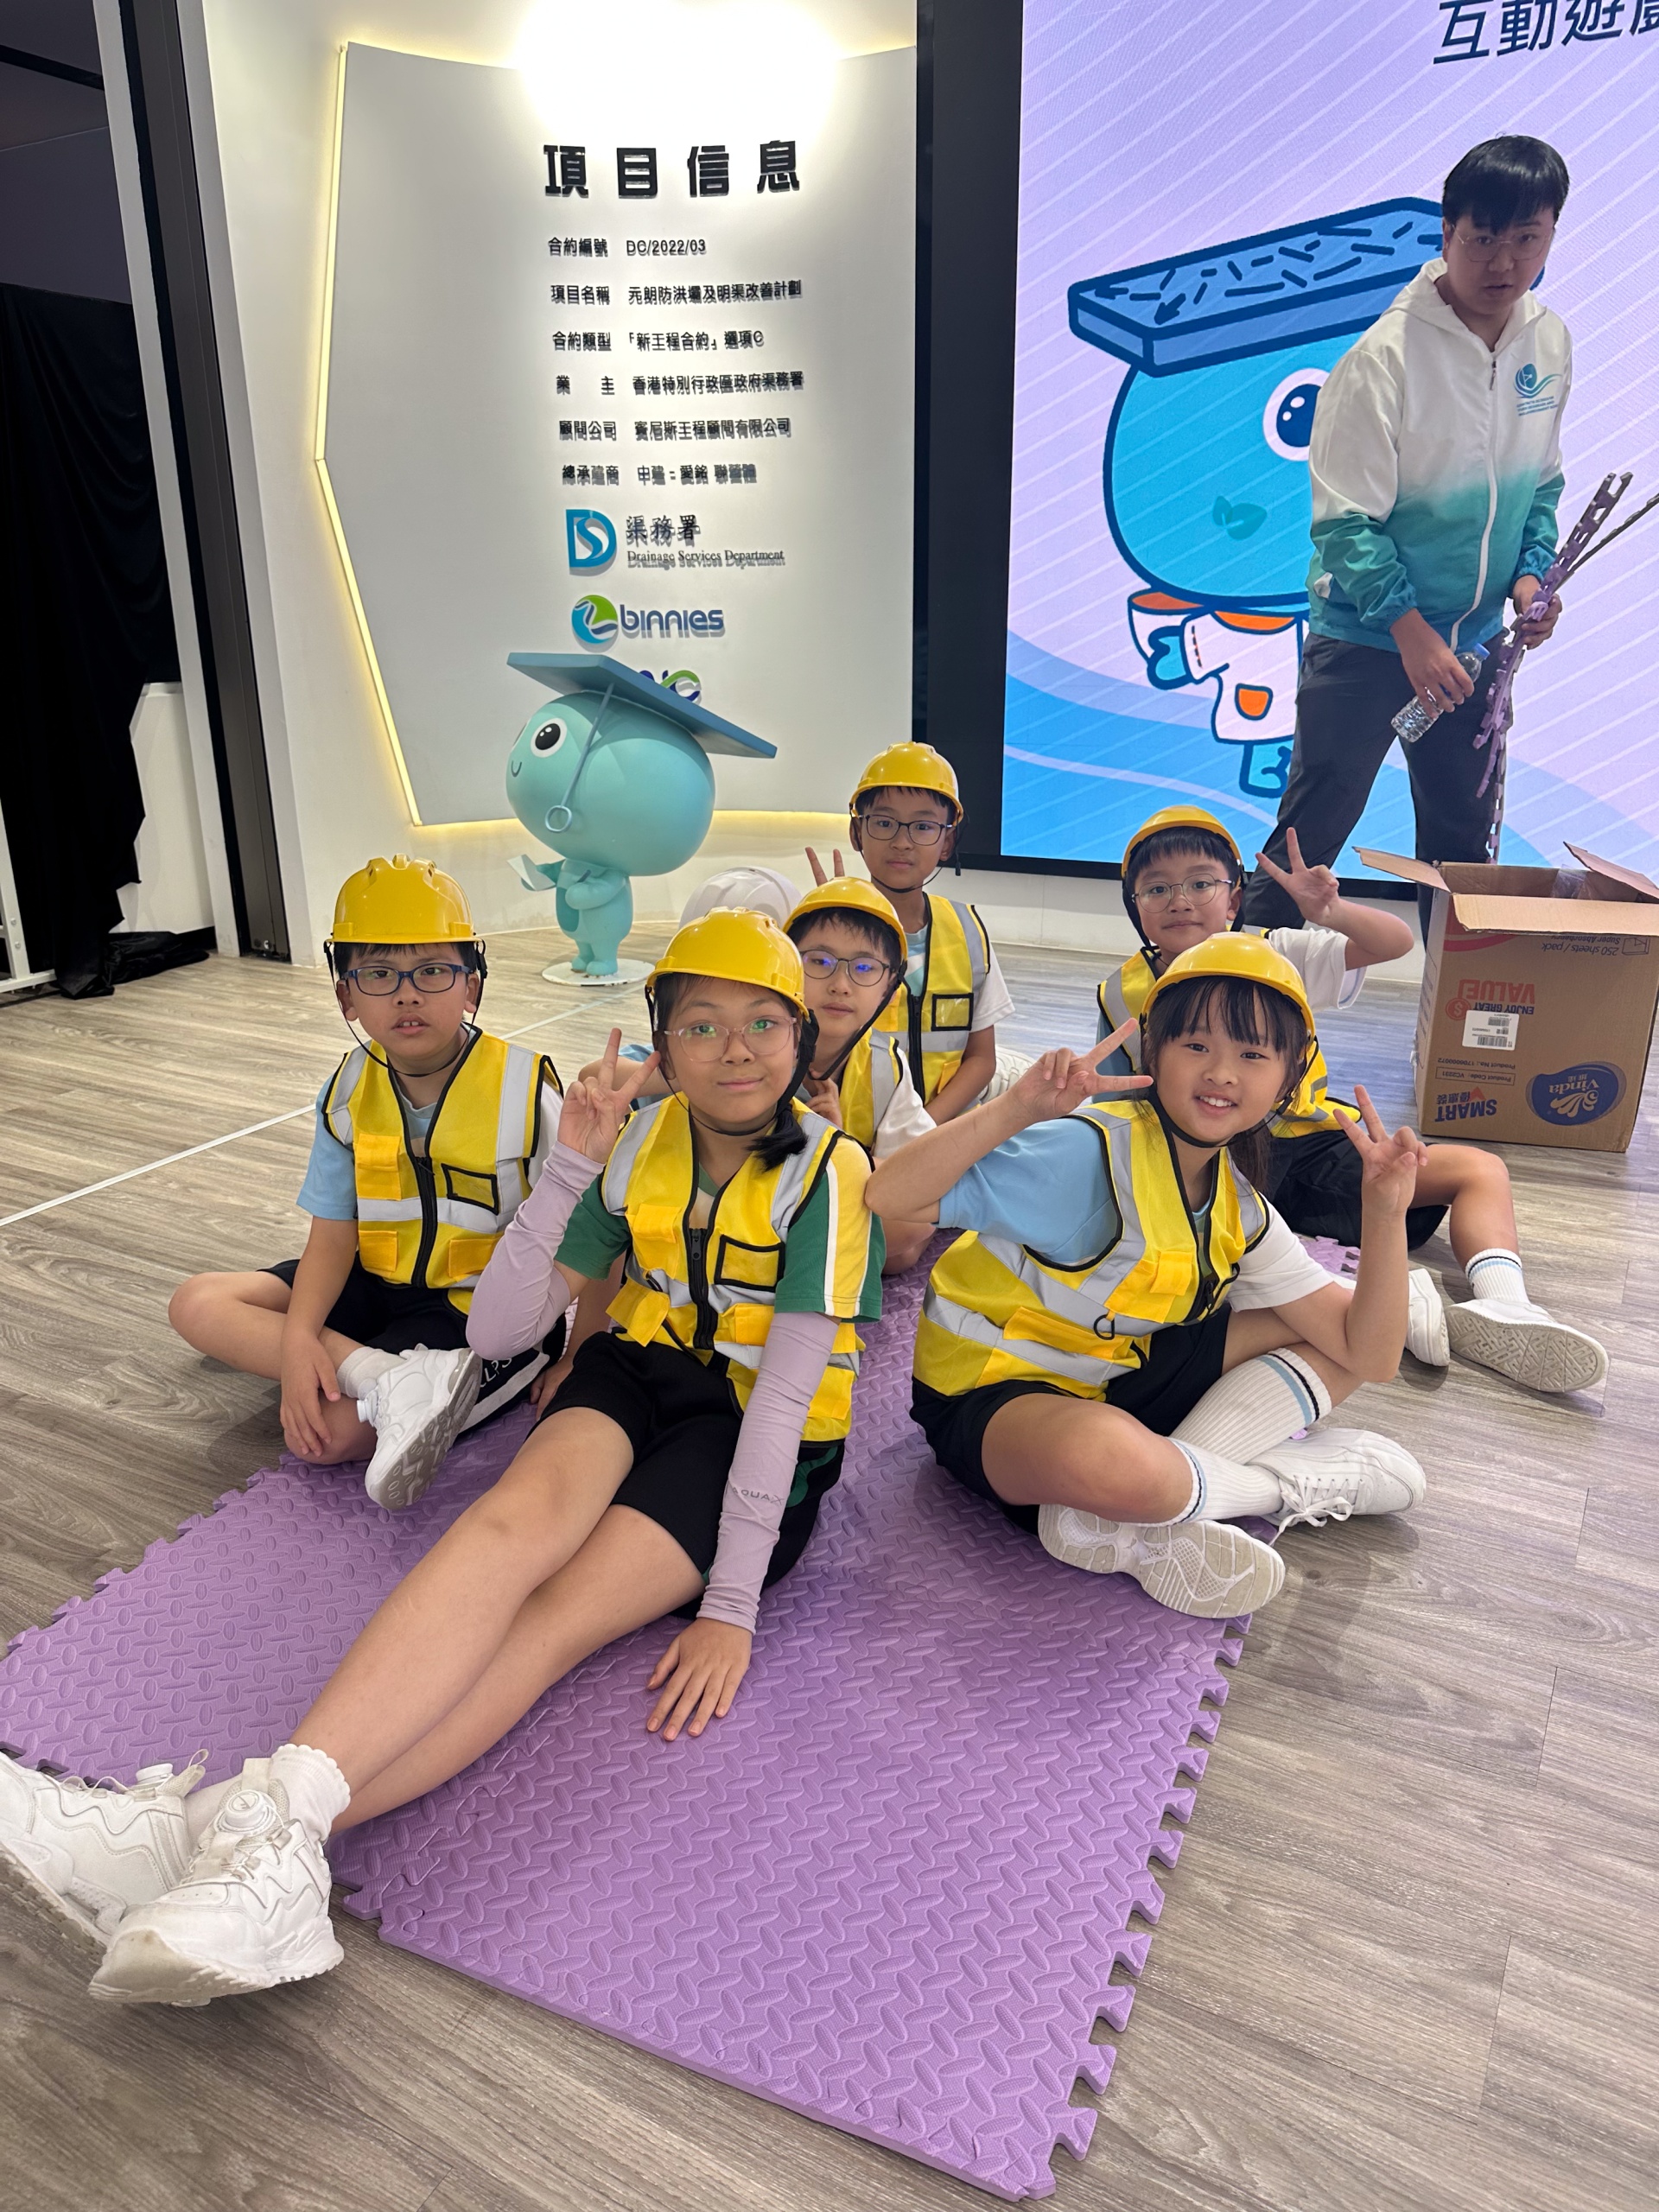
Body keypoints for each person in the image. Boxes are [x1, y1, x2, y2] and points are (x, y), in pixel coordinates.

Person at [1, 912, 883, 2005]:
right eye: (701, 1024)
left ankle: (185, 1833)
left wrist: (733, 1607)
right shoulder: (638, 1144)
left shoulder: (829, 1174)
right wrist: (570, 1167)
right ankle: (271, 1845)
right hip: (636, 1367)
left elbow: (785, 1402)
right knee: (501, 1529)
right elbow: (501, 1329)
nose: (735, 1049)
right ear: (662, 1041)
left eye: (763, 1023)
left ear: (801, 1036)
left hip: (752, 1429)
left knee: (550, 1619)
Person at [866, 935, 1428, 1621]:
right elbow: (888, 1196)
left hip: (1115, 1379)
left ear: (1289, 1078)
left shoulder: (1239, 1204)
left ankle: (1145, 1508)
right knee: (1117, 1463)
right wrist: (1016, 1110)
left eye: (1253, 1055)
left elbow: (1369, 1354)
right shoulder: (1086, 1150)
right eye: (1196, 1045)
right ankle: (1278, 1485)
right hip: (993, 1398)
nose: (1221, 1073)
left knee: (1324, 1335)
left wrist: (1385, 1213)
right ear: (1155, 1053)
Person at [1106, 807, 1607, 1394]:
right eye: (1157, 889)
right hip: (1213, 1163)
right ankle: (1390, 1298)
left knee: (1479, 1169)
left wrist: (1332, 912)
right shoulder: (1119, 991)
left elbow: (1394, 941)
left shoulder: (1277, 951)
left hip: (1312, 1145)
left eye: (1200, 883)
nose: (1180, 901)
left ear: (1235, 898)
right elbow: (1117, 1096)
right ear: (1135, 905)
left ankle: (1507, 1306)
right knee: (1205, 1267)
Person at [1243, 136, 1573, 938]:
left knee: (1463, 851)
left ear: (1551, 234)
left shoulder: (1549, 342)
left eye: (1526, 238)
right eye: (1483, 239)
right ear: (1446, 233)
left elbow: (1541, 486)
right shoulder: (1382, 359)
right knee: (1311, 835)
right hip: (1365, 642)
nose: (1504, 262)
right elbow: (1344, 524)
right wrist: (1410, 631)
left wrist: (1531, 579)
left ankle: (1458, 1010)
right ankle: (1233, 993)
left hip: (1473, 647)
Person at [168, 856, 564, 1510]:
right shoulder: (348, 1087)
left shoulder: (527, 1090)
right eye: (379, 974)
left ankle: (428, 1378)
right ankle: (386, 1378)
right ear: (345, 995)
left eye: (433, 971)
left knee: (321, 1438)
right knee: (197, 1302)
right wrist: (299, 1341)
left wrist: (582, 1353)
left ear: (472, 985)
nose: (407, 994)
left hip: (478, 1313)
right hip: (374, 1283)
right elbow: (331, 1235)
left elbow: (593, 1234)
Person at [807, 742, 1016, 1120]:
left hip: (946, 1133)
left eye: (923, 826)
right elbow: (801, 1052)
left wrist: (921, 1132)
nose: (901, 842)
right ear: (857, 832)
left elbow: (981, 1059)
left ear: (947, 841)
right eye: (883, 822)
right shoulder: (818, 935)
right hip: (852, 1137)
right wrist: (829, 936)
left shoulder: (967, 931)